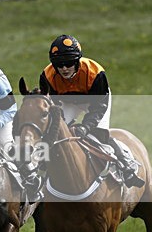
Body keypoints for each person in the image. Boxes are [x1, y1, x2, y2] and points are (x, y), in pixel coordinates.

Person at [38, 35, 144, 187]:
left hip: (95, 102)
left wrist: (85, 127)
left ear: (77, 61)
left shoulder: (95, 73)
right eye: (59, 64)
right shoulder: (47, 76)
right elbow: (53, 106)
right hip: (67, 102)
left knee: (98, 134)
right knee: (54, 134)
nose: (64, 68)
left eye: (68, 63)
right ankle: (40, 173)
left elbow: (99, 107)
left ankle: (126, 165)